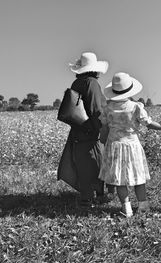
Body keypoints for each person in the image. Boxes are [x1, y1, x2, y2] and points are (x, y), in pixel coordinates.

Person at [98, 72, 161, 217]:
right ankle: (143, 206)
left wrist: (103, 140)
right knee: (138, 177)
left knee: (119, 180)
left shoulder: (107, 108)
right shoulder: (136, 107)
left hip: (114, 146)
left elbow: (104, 128)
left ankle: (126, 208)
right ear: (130, 89)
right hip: (132, 146)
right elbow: (149, 123)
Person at [58, 52, 115, 209]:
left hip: (78, 129)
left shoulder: (77, 83)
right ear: (95, 69)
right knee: (95, 162)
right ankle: (93, 197)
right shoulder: (92, 83)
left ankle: (87, 196)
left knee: (83, 163)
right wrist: (103, 130)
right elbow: (96, 108)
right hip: (91, 131)